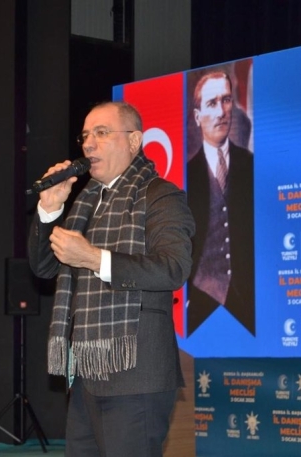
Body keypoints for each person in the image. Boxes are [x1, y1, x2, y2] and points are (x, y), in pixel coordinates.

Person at [28, 101, 195, 457]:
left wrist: (92, 257)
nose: (89, 144)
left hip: (136, 375)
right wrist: (50, 209)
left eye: (102, 133)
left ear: (134, 141)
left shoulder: (160, 195)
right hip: (87, 373)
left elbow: (173, 267)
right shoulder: (87, 203)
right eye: (85, 136)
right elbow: (44, 267)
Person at [186, 71, 255, 336]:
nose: (221, 111)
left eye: (226, 100)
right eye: (212, 103)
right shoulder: (185, 175)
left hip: (248, 302)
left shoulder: (252, 165)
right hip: (200, 300)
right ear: (197, 116)